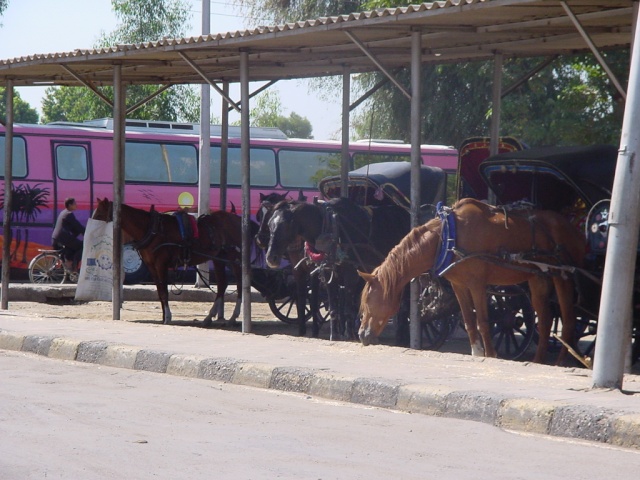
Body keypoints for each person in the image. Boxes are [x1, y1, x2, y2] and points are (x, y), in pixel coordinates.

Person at [52, 197, 86, 272]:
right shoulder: (69, 214)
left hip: (57, 238)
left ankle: (69, 263)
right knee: (82, 246)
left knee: (72, 248)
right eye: (75, 203)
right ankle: (74, 266)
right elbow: (78, 226)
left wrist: (79, 233)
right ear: (70, 205)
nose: (76, 205)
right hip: (62, 238)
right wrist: (87, 233)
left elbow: (73, 228)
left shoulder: (64, 212)